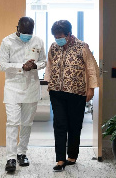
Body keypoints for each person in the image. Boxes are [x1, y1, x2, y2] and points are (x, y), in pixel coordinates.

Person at [44, 20, 99, 171]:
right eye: (55, 36)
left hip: (77, 92)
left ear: (69, 34)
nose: (57, 39)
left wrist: (91, 89)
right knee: (59, 124)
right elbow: (49, 65)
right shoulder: (54, 47)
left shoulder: (82, 46)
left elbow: (91, 68)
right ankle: (60, 159)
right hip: (57, 91)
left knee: (74, 125)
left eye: (60, 36)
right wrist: (47, 83)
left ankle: (72, 156)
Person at [0, 17, 46, 172]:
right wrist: (21, 66)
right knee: (12, 122)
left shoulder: (38, 41)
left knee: (27, 123)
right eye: (24, 32)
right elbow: (2, 65)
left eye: (30, 32)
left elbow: (44, 61)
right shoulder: (7, 42)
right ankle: (10, 158)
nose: (27, 35)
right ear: (17, 28)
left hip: (31, 87)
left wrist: (35, 65)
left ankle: (22, 153)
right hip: (13, 87)